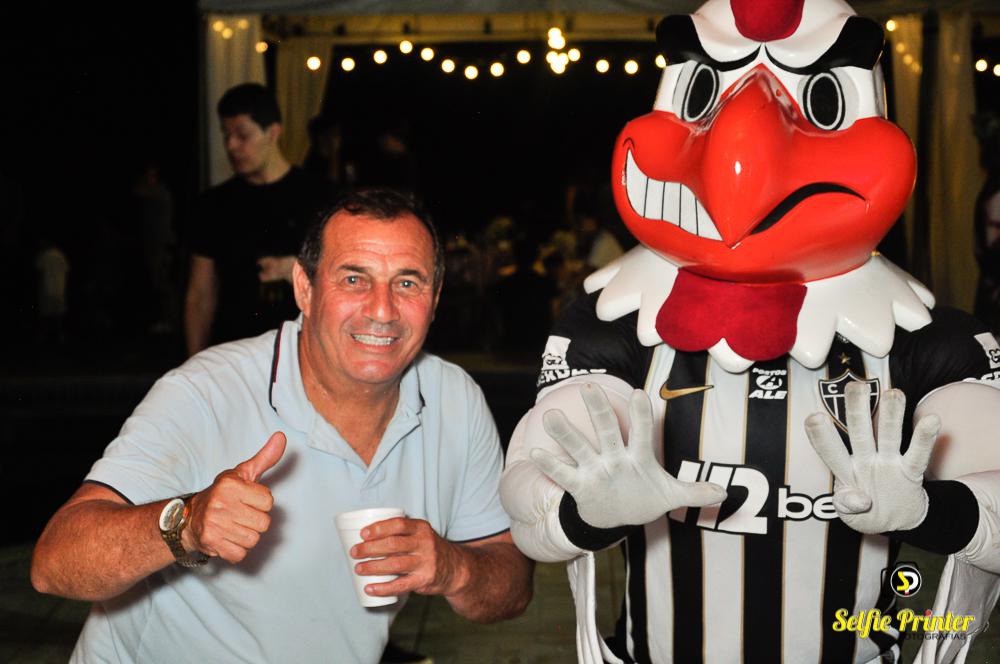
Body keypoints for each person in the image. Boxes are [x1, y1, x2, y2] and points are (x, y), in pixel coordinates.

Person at [500, 1, 1000, 663]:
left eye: (823, 100)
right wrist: (582, 512)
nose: (743, 140)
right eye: (703, 92)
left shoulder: (928, 339)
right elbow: (528, 492)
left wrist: (932, 511)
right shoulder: (611, 324)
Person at [32, 188, 533, 663]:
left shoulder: (454, 401)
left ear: (436, 297)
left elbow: (512, 585)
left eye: (407, 283)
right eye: (353, 279)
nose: (382, 310)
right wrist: (187, 524)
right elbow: (54, 563)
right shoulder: (207, 391)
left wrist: (453, 568)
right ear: (304, 288)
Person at [184, 82, 332, 356]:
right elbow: (201, 293)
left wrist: (295, 271)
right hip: (233, 353)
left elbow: (345, 279)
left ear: (273, 132)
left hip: (305, 353)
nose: (231, 145)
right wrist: (194, 364)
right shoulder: (212, 204)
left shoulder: (320, 197)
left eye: (242, 135)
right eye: (226, 135)